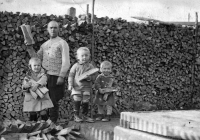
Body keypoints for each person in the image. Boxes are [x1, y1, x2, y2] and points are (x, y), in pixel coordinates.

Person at [26, 21, 70, 123]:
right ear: (47, 30)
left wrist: (61, 76)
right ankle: (43, 122)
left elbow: (66, 61)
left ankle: (53, 123)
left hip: (56, 76)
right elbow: (36, 58)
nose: (53, 30)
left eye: (55, 27)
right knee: (43, 99)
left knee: (53, 100)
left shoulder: (62, 43)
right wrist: (29, 48)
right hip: (44, 77)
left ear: (59, 29)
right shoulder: (44, 45)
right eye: (51, 28)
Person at [68, 47, 95, 123]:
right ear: (77, 57)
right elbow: (71, 75)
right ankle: (76, 116)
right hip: (76, 88)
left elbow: (94, 77)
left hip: (86, 88)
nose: (84, 57)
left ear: (89, 56)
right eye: (82, 55)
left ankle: (85, 116)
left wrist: (89, 78)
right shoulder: (75, 66)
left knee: (85, 101)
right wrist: (70, 84)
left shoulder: (90, 67)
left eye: (86, 55)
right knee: (77, 101)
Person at [22, 57, 54, 121]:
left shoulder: (43, 75)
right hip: (31, 97)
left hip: (41, 97)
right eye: (35, 65)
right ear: (30, 66)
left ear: (41, 66)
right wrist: (25, 86)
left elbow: (44, 80)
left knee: (43, 112)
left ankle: (46, 124)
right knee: (32, 112)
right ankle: (33, 125)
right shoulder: (27, 76)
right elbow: (24, 85)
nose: (37, 67)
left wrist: (37, 84)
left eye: (38, 65)